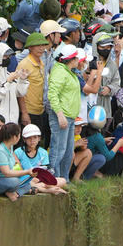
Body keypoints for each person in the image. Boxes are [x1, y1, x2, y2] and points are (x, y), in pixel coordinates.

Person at [46, 44, 82, 181]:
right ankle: (52, 179)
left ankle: (64, 179)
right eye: (76, 58)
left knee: (67, 151)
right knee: (59, 149)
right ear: (71, 59)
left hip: (70, 117)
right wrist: (60, 115)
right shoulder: (60, 71)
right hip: (61, 116)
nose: (78, 60)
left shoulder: (68, 71)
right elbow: (52, 94)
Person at [16, 124, 68, 195]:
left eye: (35, 137)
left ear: (39, 138)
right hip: (25, 180)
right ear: (24, 139)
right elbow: (17, 171)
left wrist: (38, 179)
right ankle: (45, 189)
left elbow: (45, 170)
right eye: (29, 138)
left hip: (40, 180)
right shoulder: (18, 152)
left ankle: (38, 187)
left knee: (63, 180)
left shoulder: (43, 152)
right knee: (26, 183)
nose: (32, 140)